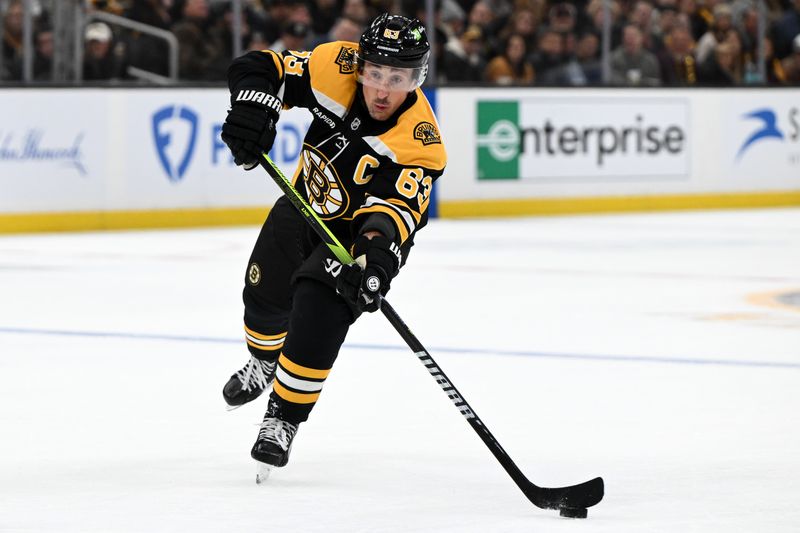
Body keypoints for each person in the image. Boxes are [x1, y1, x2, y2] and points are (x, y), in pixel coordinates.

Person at [219, 13, 446, 472]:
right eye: (376, 73)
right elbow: (262, 67)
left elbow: (395, 213)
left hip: (351, 243)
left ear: (417, 78)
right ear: (361, 66)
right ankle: (264, 361)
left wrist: (376, 258)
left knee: (317, 310)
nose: (383, 89)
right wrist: (252, 107)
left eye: (398, 77)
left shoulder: (419, 142)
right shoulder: (334, 66)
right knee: (261, 300)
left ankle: (283, 417)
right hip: (301, 205)